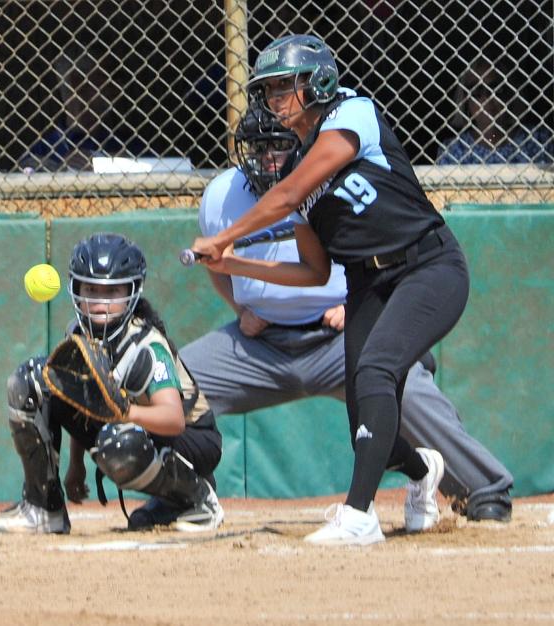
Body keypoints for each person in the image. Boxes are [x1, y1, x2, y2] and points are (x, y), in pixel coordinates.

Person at [189, 34, 473, 546]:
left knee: (377, 369)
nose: (275, 99)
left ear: (318, 81)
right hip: (368, 282)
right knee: (367, 424)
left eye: (286, 86)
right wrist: (236, 261)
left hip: (427, 266)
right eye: (269, 90)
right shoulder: (296, 164)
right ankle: (421, 471)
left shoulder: (353, 113)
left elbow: (290, 194)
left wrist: (226, 235)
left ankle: (359, 515)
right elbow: (314, 273)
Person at [0, 233, 224, 534]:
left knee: (119, 441)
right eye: (90, 290)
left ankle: (195, 500)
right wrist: (76, 465)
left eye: (112, 292)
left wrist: (126, 413)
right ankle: (43, 507)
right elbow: (82, 398)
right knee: (31, 380)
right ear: (75, 289)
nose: (99, 301)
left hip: (191, 439)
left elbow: (174, 419)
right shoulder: (78, 333)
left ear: (132, 292)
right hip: (130, 426)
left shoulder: (146, 344)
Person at [21, 48, 145, 172]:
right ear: (78, 81)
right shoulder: (42, 150)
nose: (117, 85)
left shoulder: (128, 144)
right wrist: (59, 170)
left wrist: (100, 162)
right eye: (107, 76)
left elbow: (154, 166)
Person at [437, 57, 554, 165]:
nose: (487, 98)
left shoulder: (538, 140)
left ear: (511, 94)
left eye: (496, 88)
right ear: (465, 100)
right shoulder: (453, 150)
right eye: (476, 90)